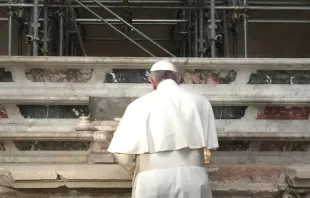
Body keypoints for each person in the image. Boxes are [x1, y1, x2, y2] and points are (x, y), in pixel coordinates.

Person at [108, 60, 219, 198]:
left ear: (152, 82)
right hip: (193, 177)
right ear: (178, 79)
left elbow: (123, 155)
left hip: (152, 179)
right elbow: (210, 147)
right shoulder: (201, 102)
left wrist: (135, 170)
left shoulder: (138, 105)